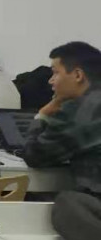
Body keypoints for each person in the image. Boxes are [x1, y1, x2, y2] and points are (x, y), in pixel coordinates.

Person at [22, 42, 101, 196]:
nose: (51, 80)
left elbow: (35, 155)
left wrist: (42, 115)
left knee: (58, 200)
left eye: (55, 73)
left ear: (78, 75)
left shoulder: (80, 109)